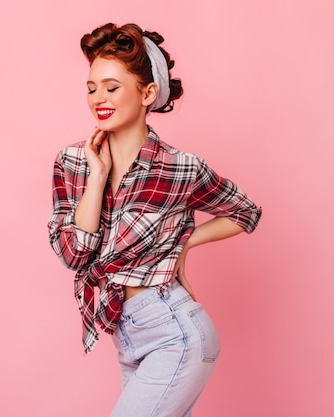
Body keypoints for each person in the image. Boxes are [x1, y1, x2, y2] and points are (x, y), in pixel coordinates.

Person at [48, 22, 261, 417]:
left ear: (147, 93)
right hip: (127, 335)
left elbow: (246, 213)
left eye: (112, 87)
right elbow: (75, 255)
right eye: (92, 87)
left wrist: (184, 243)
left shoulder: (181, 168)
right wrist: (96, 178)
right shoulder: (73, 162)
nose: (99, 99)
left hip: (174, 332)